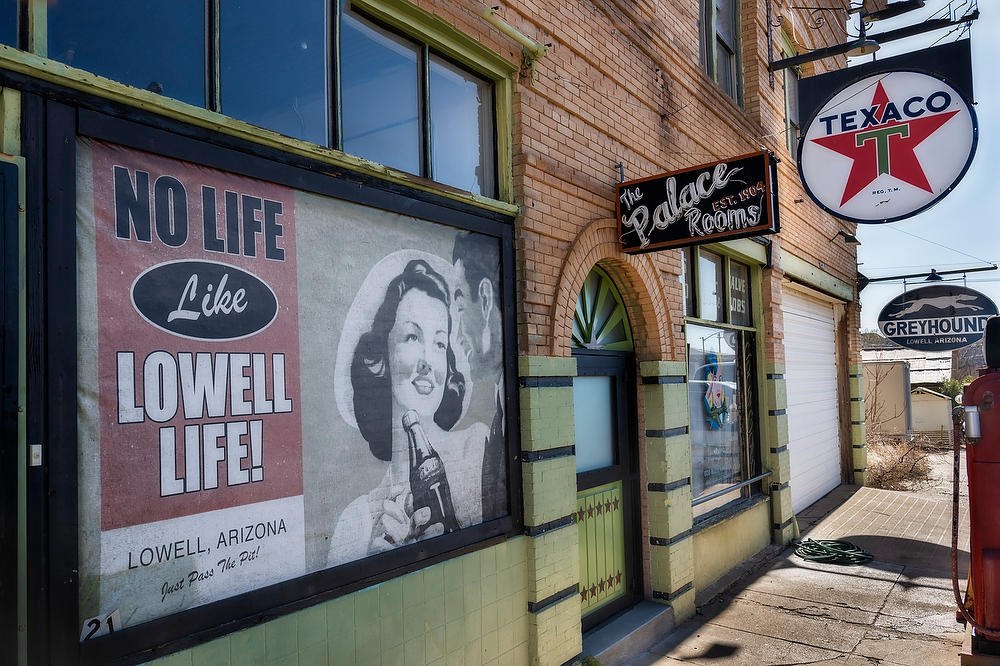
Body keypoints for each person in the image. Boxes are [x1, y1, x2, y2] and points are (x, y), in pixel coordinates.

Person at [329, 259, 488, 565]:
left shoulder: (478, 449)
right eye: (413, 337)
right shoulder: (357, 521)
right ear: (381, 357)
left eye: (440, 343)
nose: (428, 359)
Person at [451, 232, 506, 520]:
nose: (457, 337)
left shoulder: (507, 414)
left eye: (459, 308)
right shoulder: (501, 412)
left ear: (484, 300)